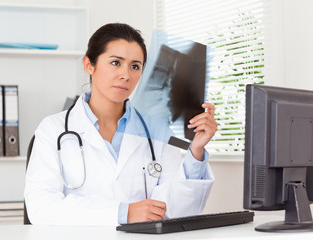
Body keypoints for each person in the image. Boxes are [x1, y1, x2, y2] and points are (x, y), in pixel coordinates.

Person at [24, 23, 217, 226]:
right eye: (116, 63)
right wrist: (123, 213)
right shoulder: (52, 129)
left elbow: (176, 212)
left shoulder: (158, 131)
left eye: (135, 66)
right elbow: (41, 207)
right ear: (89, 65)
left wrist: (195, 151)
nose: (126, 75)